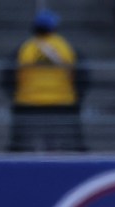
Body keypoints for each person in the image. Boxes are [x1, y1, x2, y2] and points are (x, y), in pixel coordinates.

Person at [5, 9, 86, 152]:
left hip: (28, 102)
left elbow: (9, 74)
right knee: (66, 145)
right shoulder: (64, 46)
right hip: (62, 102)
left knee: (23, 146)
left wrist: (15, 95)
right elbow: (80, 73)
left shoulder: (25, 48)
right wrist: (77, 95)